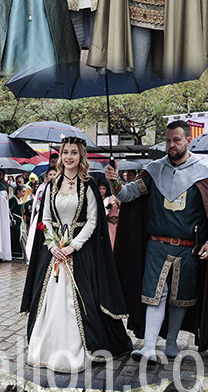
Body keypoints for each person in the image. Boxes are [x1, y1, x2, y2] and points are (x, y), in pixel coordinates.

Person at [105, 120, 208, 361]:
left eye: (177, 140)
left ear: (187, 141)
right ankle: (149, 346)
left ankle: (171, 341)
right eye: (168, 140)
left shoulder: (204, 174)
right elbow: (128, 194)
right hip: (156, 246)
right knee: (155, 295)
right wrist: (114, 182)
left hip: (188, 249)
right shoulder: (154, 171)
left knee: (180, 298)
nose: (171, 145)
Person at [22, 136, 132, 373]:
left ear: (81, 156)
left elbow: (93, 221)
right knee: (48, 299)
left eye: (74, 152)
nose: (69, 157)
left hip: (80, 252)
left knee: (83, 300)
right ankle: (46, 349)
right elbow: (46, 219)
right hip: (54, 251)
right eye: (65, 152)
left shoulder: (89, 184)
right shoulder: (53, 184)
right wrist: (52, 245)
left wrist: (73, 246)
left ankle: (80, 349)